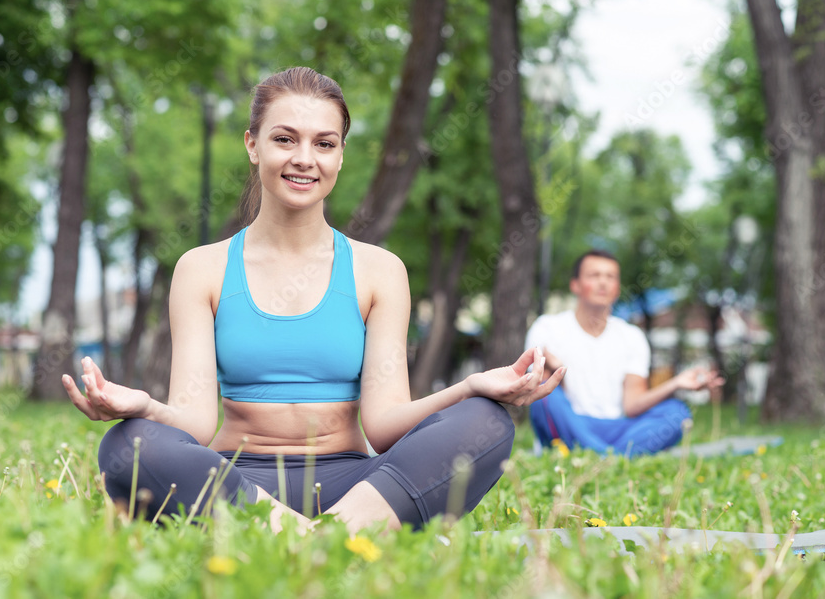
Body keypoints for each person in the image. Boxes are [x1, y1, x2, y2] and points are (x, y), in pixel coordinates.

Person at [62, 67, 564, 534]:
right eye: (285, 139)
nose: (305, 158)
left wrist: (471, 386)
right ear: (253, 145)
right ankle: (325, 542)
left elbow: (385, 426)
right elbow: (195, 423)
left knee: (486, 423)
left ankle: (305, 538)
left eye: (324, 143)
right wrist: (144, 406)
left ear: (340, 156)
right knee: (129, 446)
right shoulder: (202, 268)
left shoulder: (380, 271)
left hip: (359, 488)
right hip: (237, 486)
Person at [526, 249, 723, 457]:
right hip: (572, 423)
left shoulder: (632, 336)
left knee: (678, 414)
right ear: (575, 285)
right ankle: (614, 457)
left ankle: (596, 456)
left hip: (619, 428)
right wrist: (555, 373)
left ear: (617, 288)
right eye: (594, 275)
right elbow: (536, 393)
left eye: (610, 277)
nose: (603, 282)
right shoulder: (546, 328)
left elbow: (632, 405)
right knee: (543, 393)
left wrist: (676, 383)